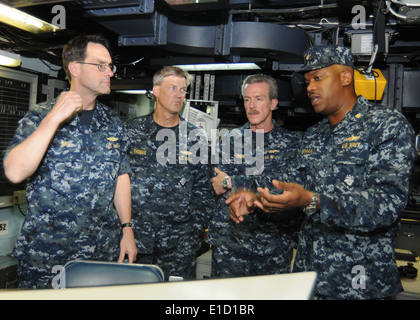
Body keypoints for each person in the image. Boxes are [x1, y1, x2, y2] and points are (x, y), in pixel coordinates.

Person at [228, 45, 417, 299]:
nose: (309, 88)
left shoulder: (386, 126)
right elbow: (285, 183)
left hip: (358, 285)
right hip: (310, 278)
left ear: (345, 77)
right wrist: (255, 198)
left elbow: (386, 204)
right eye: (307, 82)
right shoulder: (314, 135)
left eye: (318, 78)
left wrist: (313, 200)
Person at [3, 34, 137, 289]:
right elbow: (14, 172)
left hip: (102, 252)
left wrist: (127, 229)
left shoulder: (112, 122)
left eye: (110, 66)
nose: (109, 72)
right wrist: (53, 120)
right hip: (48, 257)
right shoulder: (40, 116)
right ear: (75, 68)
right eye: (101, 65)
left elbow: (121, 176)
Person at [207, 74, 302, 278]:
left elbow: (285, 188)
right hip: (230, 244)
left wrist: (234, 181)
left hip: (273, 246)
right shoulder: (229, 141)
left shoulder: (291, 144)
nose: (252, 105)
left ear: (273, 103)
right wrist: (232, 183)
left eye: (259, 99)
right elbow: (217, 185)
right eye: (248, 99)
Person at [125, 66, 212, 281]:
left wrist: (193, 231)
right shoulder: (131, 131)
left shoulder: (194, 136)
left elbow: (205, 189)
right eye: (172, 88)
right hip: (135, 238)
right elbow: (117, 181)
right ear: (156, 91)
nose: (179, 95)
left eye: (183, 90)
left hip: (178, 244)